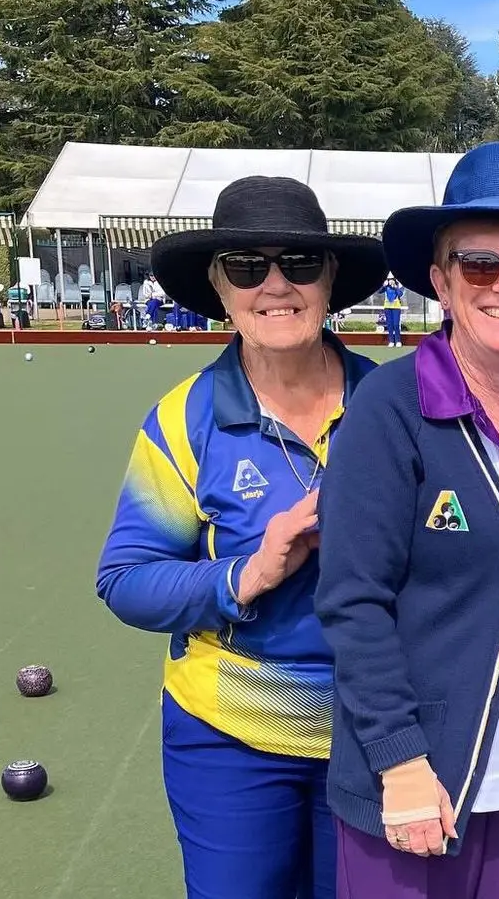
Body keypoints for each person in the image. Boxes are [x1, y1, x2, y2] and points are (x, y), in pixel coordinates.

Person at [315, 141, 499, 899]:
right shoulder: (388, 411)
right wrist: (400, 758)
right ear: (441, 281)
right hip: (416, 787)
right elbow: (354, 601)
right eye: (481, 264)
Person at [95, 175, 387, 899]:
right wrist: (244, 574)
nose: (276, 285)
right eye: (248, 268)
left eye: (300, 264)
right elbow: (126, 577)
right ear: (220, 289)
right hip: (227, 743)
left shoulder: (395, 405)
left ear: (331, 281)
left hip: (376, 734)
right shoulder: (182, 419)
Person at [382, 276, 406, 347]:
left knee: (396, 324)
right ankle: (391, 341)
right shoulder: (386, 287)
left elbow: (400, 294)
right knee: (389, 325)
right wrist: (384, 286)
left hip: (396, 308)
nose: (390, 281)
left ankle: (398, 341)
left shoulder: (398, 286)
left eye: (392, 279)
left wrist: (395, 287)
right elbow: (379, 292)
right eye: (389, 280)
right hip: (387, 307)